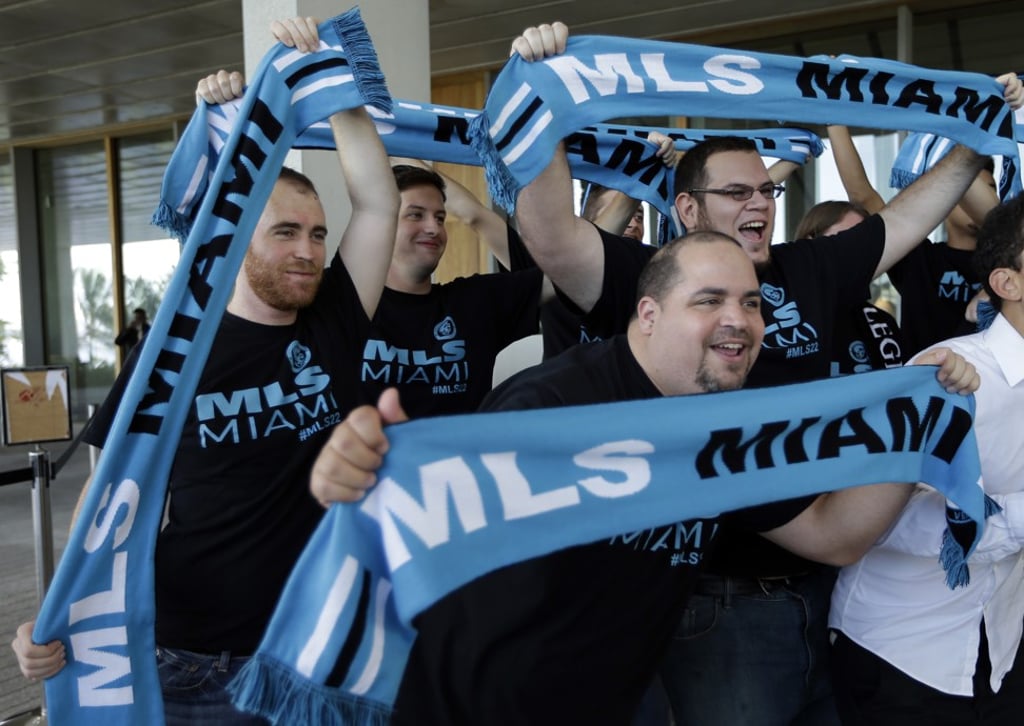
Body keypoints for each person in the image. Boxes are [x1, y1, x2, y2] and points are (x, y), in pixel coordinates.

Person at [504, 21, 1022, 726]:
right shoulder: (642, 285)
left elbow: (904, 219)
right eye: (735, 194)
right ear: (684, 214)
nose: (758, 204)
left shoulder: (805, 268)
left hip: (825, 587)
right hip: (719, 602)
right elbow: (552, 236)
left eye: (767, 193)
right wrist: (541, 97)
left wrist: (974, 138)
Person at [309, 231, 978, 726]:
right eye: (708, 299)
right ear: (648, 314)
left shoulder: (722, 422)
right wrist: (360, 473)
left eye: (751, 303)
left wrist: (914, 432)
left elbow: (834, 535)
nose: (738, 320)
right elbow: (404, 529)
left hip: (615, 698)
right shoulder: (555, 404)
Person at [10, 16, 400, 725]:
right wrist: (55, 612)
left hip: (314, 649)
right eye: (285, 232)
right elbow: (107, 498)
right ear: (233, 241)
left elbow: (379, 201)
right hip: (193, 659)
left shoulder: (335, 320)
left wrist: (333, 83)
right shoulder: (174, 346)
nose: (309, 251)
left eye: (316, 234)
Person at [198, 73, 551, 417]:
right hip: (363, 471)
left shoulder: (475, 303)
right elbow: (374, 205)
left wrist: (469, 208)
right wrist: (226, 121)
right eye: (414, 215)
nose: (432, 227)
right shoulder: (337, 306)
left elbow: (565, 273)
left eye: (440, 217)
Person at [829, 193, 1024, 725]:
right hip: (902, 652)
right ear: (1008, 284)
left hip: (1000, 648)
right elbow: (870, 523)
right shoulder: (945, 378)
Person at [828, 124, 999, 356]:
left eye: (989, 190)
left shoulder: (1010, 263)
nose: (975, 200)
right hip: (922, 386)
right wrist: (834, 122)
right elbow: (862, 195)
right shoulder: (918, 259)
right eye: (965, 189)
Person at [794, 200, 904, 375]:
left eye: (863, 244)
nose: (856, 252)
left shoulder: (882, 321)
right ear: (810, 244)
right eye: (845, 241)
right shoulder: (787, 318)